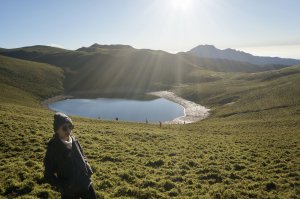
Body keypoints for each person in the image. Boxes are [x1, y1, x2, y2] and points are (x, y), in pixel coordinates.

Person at [44, 112, 97, 199]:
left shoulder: (74, 140)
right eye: (64, 128)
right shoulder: (53, 148)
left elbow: (83, 156)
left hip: (85, 183)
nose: (68, 131)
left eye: (70, 127)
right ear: (57, 130)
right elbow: (48, 175)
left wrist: (88, 170)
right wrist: (64, 185)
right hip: (69, 192)